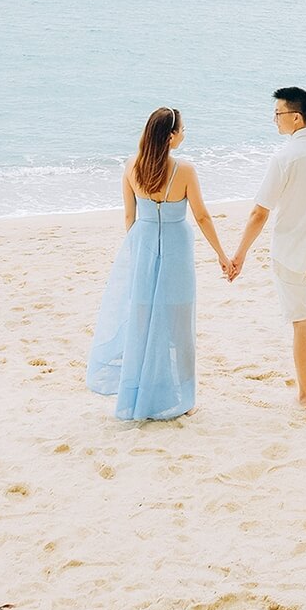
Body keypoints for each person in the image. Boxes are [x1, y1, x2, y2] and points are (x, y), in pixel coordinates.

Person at [87, 106, 229, 421]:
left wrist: (139, 251)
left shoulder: (131, 166)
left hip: (143, 248)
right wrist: (222, 255)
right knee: (179, 328)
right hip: (176, 251)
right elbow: (202, 217)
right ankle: (185, 400)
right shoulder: (186, 171)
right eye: (183, 129)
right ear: (171, 136)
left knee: (142, 324)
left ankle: (139, 395)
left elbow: (129, 217)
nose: (185, 133)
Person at [229, 86, 306, 409]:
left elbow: (259, 213)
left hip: (291, 252)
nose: (275, 120)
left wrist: (239, 255)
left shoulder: (284, 157)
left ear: (296, 117)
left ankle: (305, 396)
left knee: (302, 322)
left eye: (278, 114)